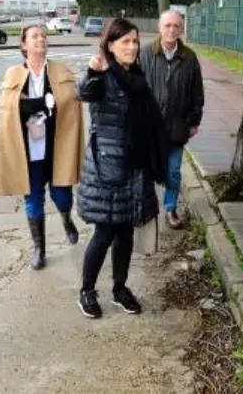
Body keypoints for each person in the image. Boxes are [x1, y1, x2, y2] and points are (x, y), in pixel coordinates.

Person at [75, 18, 168, 319]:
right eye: (125, 41)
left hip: (134, 167)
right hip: (108, 169)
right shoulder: (104, 74)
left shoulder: (136, 76)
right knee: (104, 231)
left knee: (126, 230)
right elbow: (84, 92)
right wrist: (92, 72)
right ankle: (86, 291)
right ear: (110, 45)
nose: (132, 46)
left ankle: (119, 288)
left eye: (135, 41)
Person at [0, 25, 85, 270]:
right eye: (35, 36)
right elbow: (8, 110)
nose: (41, 39)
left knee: (62, 195)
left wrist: (31, 105)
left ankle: (66, 219)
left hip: (56, 146)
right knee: (33, 199)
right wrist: (39, 105)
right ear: (24, 44)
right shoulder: (13, 74)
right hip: (28, 150)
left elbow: (68, 106)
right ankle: (39, 249)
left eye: (43, 36)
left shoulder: (60, 71)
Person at [139, 9, 204, 229]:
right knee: (146, 172)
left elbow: (197, 93)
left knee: (173, 173)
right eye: (167, 25)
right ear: (160, 28)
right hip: (149, 128)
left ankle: (170, 208)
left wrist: (194, 121)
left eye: (176, 26)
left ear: (181, 29)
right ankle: (146, 210)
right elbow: (135, 88)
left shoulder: (189, 57)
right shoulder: (145, 53)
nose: (172, 30)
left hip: (177, 126)